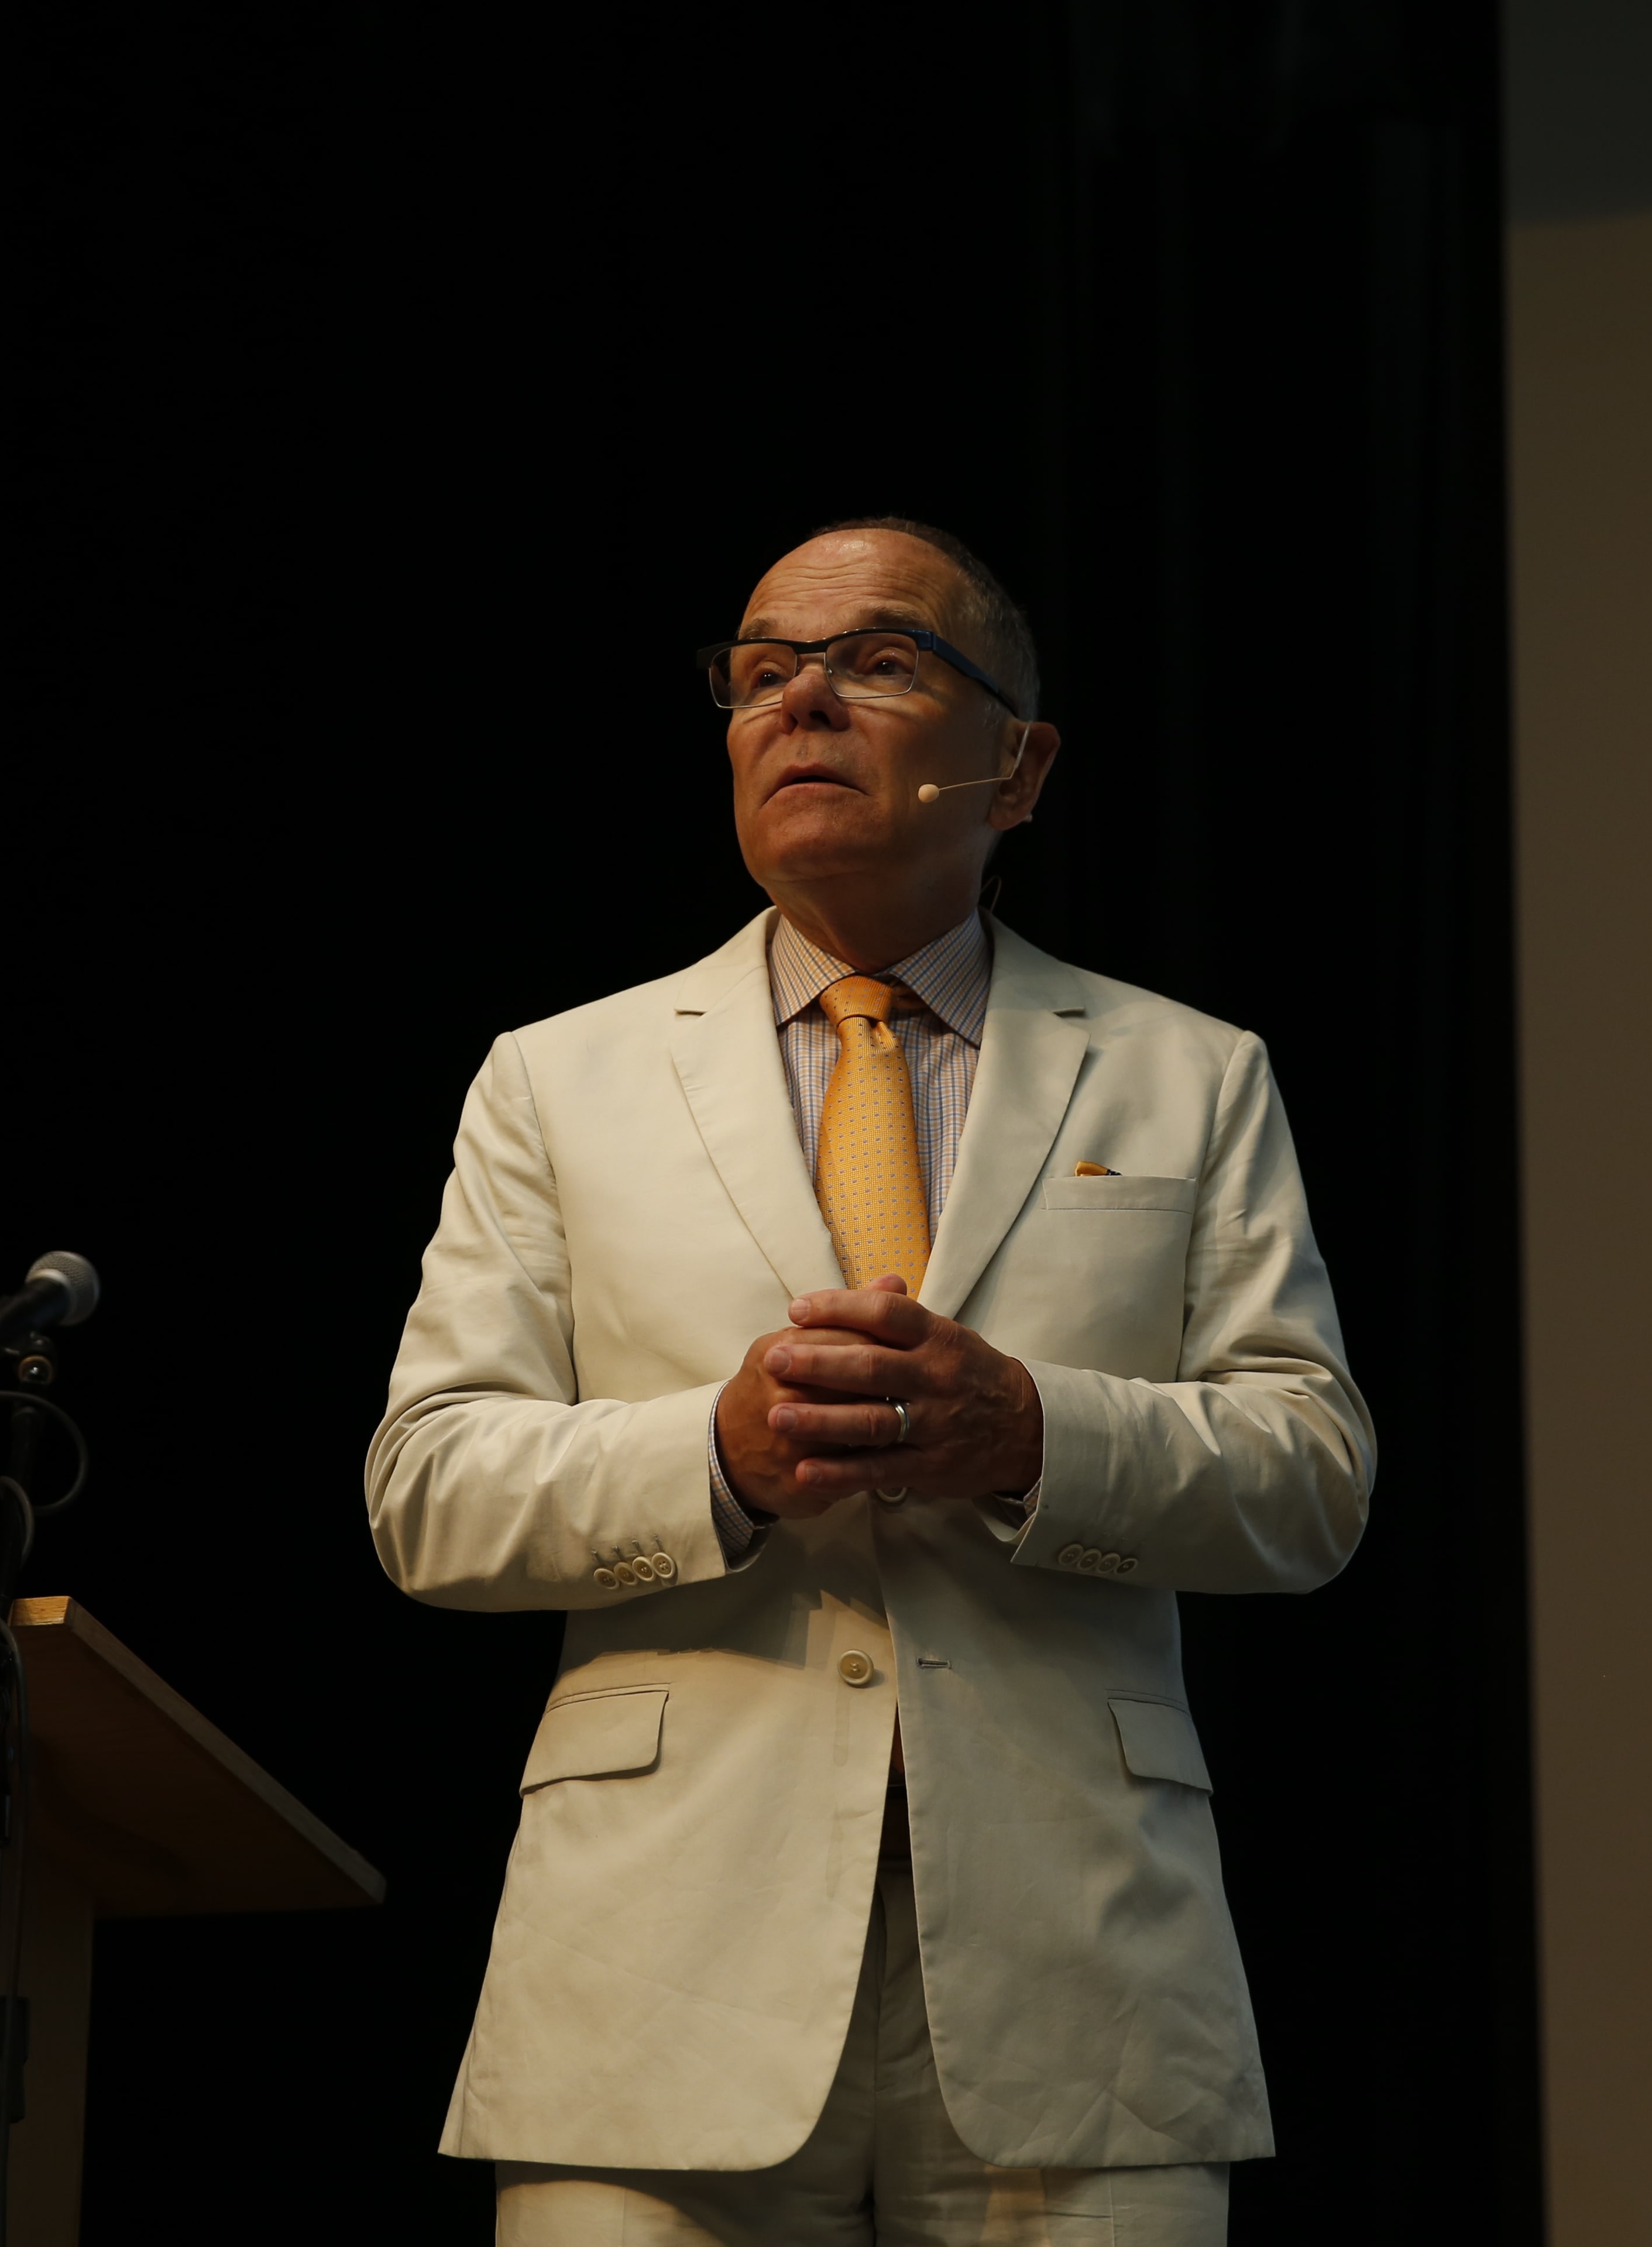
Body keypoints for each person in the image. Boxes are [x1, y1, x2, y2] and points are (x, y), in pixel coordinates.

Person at [366, 518, 1373, 2245]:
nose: (801, 702)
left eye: (880, 662)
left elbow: (1312, 1475)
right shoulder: (557, 1078)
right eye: (762, 671)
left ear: (1019, 767)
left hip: (1083, 1971)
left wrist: (1030, 1432)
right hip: (654, 1973)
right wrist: (718, 1457)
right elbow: (430, 1489)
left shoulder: (1190, 1075)